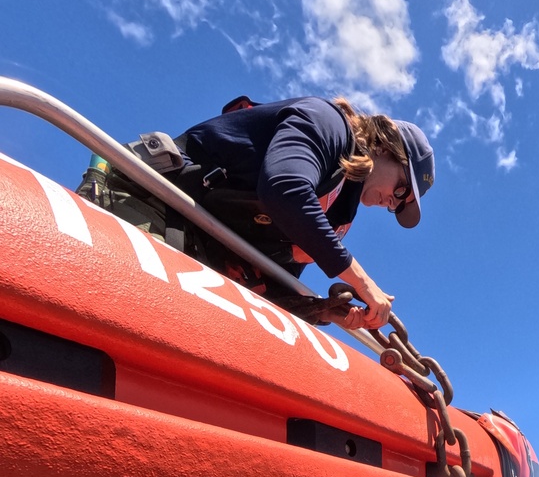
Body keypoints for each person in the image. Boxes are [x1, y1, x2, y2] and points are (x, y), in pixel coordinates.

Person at [80, 95, 434, 330]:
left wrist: (321, 310)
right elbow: (284, 187)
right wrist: (362, 281)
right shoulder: (328, 124)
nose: (393, 203)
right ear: (387, 146)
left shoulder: (337, 214)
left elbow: (271, 282)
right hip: (154, 203)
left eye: (398, 207)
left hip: (196, 252)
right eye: (401, 190)